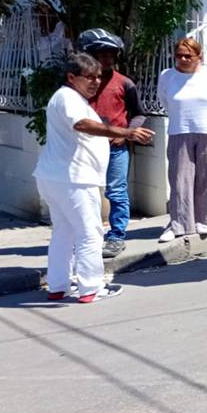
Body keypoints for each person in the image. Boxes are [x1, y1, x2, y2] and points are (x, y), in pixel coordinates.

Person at [33, 53, 154, 303]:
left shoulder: (72, 98)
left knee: (64, 233)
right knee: (90, 233)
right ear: (71, 77)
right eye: (89, 77)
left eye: (99, 77)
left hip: (60, 177)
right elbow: (83, 125)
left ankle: (58, 286)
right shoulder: (68, 97)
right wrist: (127, 131)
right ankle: (90, 289)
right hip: (73, 178)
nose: (96, 82)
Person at [76, 29, 147, 259]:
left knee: (116, 192)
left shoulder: (124, 83)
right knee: (85, 193)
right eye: (102, 55)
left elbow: (138, 114)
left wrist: (126, 134)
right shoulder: (80, 84)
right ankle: (88, 236)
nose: (107, 59)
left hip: (116, 149)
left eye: (110, 55)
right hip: (86, 148)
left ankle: (116, 236)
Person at [157, 38, 207, 243]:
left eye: (189, 55)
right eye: (179, 55)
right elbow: (164, 101)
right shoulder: (167, 76)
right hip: (180, 130)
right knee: (179, 180)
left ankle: (205, 220)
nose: (183, 59)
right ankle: (178, 224)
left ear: (200, 56)